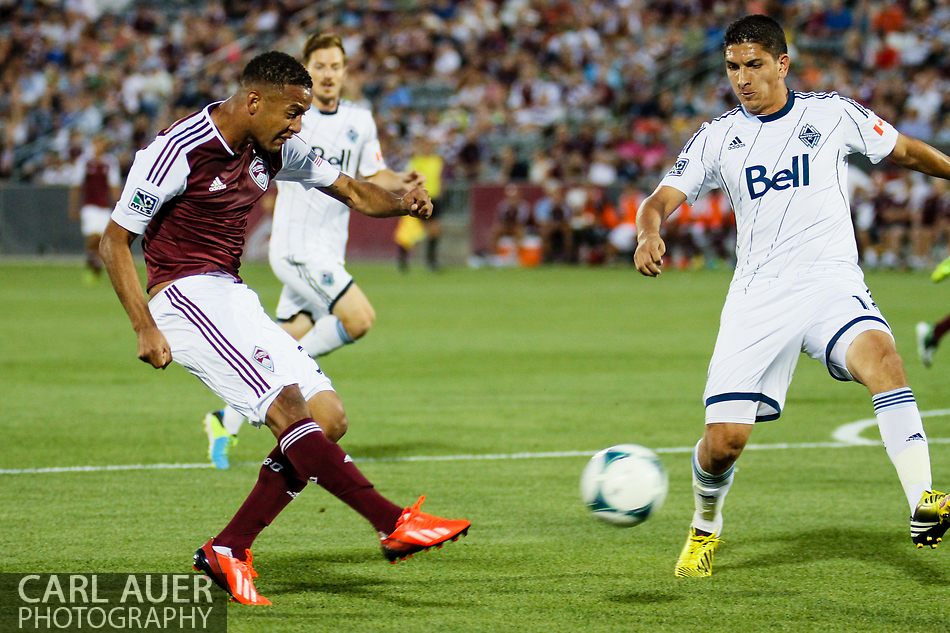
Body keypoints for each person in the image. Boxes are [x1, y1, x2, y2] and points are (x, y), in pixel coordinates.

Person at [99, 51, 470, 606]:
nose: (299, 125)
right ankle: (393, 522)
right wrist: (143, 325)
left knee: (327, 418)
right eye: (292, 113)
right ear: (254, 101)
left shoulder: (274, 148)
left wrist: (402, 202)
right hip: (185, 294)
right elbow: (113, 241)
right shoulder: (177, 150)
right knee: (290, 415)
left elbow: (350, 189)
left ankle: (229, 546)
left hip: (231, 292)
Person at [633, 15, 950, 578]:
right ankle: (706, 525)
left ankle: (924, 501)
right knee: (724, 443)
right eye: (733, 67)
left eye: (753, 65)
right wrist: (649, 230)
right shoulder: (719, 135)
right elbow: (659, 198)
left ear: (782, 63)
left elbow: (903, 151)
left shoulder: (831, 115)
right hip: (759, 297)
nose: (742, 79)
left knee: (884, 361)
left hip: (832, 283)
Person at [203, 33, 425, 468]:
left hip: (328, 250)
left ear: (345, 71)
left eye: (335, 66)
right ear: (306, 70)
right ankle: (286, 394)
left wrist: (401, 180)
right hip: (297, 248)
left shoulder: (360, 120)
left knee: (284, 340)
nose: (328, 75)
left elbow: (370, 173)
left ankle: (224, 419)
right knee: (358, 319)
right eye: (319, 66)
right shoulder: (291, 118)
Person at [69, 135, 121, 284]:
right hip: (89, 206)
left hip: (104, 207)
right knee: (92, 238)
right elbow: (76, 186)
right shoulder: (84, 162)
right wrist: (73, 207)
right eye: (98, 142)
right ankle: (91, 265)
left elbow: (114, 187)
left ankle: (95, 268)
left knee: (101, 242)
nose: (100, 146)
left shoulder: (110, 163)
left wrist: (119, 207)